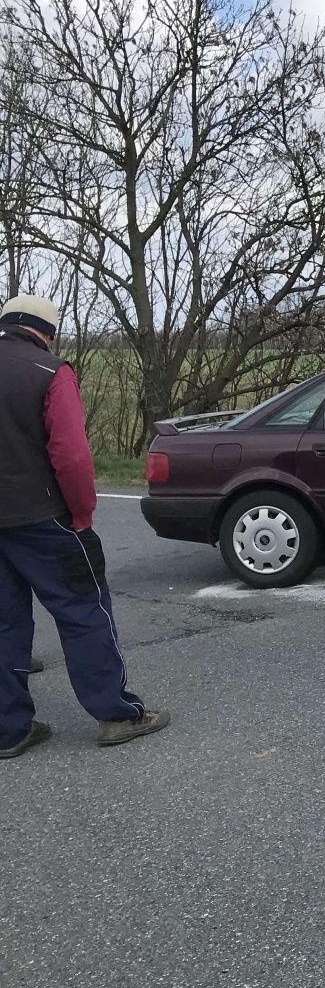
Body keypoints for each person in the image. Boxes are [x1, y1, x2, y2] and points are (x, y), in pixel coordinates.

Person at [0, 295, 168, 759]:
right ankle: (115, 715)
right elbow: (72, 457)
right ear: (47, 331)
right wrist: (82, 514)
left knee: (4, 623)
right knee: (84, 612)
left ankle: (8, 729)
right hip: (44, 519)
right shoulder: (51, 372)